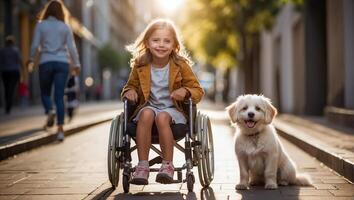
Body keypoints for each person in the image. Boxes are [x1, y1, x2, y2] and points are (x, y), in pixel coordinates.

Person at [121, 19, 204, 185]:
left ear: (174, 45)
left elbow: (198, 91)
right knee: (145, 113)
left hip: (174, 110)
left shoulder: (180, 65)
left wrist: (185, 91)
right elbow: (129, 86)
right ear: (147, 43)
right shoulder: (141, 65)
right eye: (156, 40)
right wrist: (129, 91)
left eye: (167, 41)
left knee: (162, 117)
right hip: (148, 107)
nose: (161, 45)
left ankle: (167, 166)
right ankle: (142, 166)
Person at [28, 0, 81, 141]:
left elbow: (34, 45)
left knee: (45, 93)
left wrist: (31, 59)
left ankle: (50, 110)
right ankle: (60, 131)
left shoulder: (41, 25)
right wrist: (76, 64)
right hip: (62, 63)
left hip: (45, 61)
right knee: (59, 96)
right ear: (61, 12)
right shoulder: (65, 27)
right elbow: (72, 48)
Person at [0, 35, 22, 114]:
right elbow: (19, 60)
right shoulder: (15, 50)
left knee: (6, 89)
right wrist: (22, 70)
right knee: (11, 89)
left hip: (5, 72)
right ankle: (9, 105)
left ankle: (7, 104)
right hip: (14, 71)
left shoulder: (2, 51)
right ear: (13, 43)